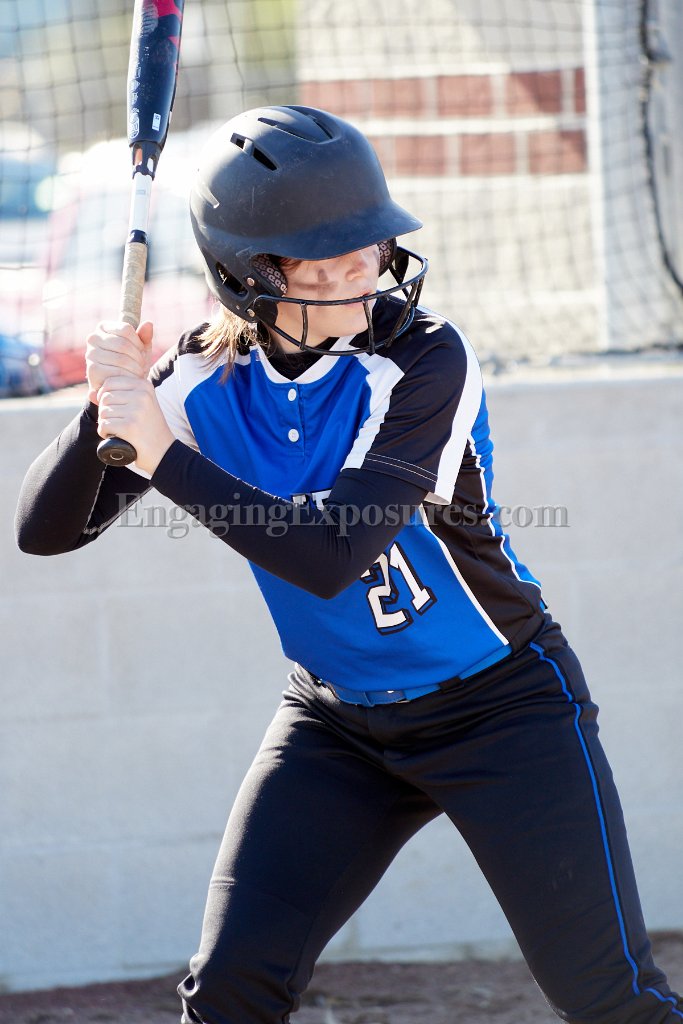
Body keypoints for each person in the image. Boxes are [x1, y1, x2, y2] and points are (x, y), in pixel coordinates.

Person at [15, 105, 682, 1024]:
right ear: (249, 279)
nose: (355, 286)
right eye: (319, 270)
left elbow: (330, 554)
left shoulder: (425, 359)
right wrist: (105, 407)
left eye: (362, 257)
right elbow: (47, 531)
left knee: (608, 1000)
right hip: (334, 724)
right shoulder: (200, 377)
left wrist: (161, 453)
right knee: (229, 992)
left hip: (502, 708)